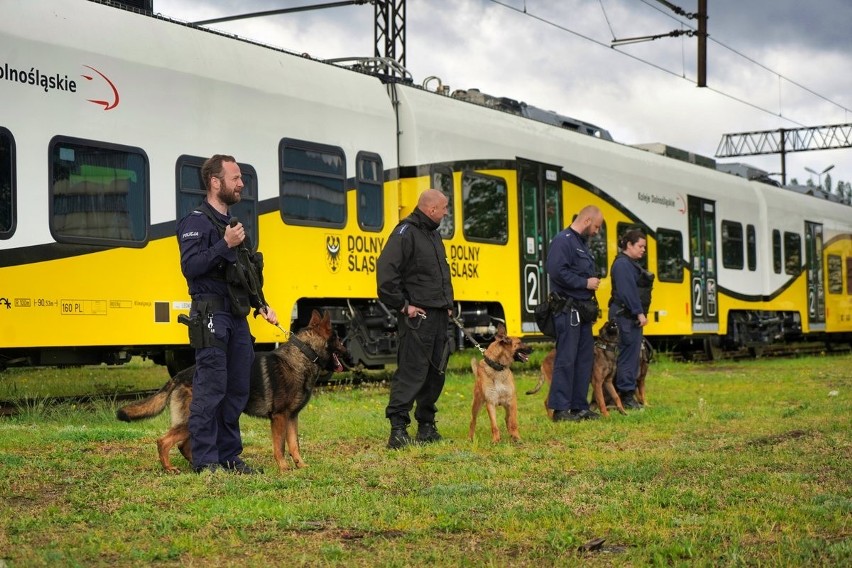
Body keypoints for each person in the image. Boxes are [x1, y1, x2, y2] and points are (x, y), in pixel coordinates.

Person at [177, 154, 279, 474]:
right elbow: (190, 267)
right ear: (215, 182)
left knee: (237, 388)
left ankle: (229, 456)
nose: (241, 184)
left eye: (240, 178)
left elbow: (246, 272)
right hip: (211, 315)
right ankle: (206, 460)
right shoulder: (196, 221)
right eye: (235, 178)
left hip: (237, 318)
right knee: (211, 388)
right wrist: (223, 245)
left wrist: (261, 304)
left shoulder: (231, 225)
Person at [376, 188, 454, 449]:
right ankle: (398, 429)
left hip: (439, 315)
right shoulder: (405, 233)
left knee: (436, 373)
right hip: (418, 318)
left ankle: (426, 426)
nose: (446, 212)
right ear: (431, 209)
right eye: (444, 208)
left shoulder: (432, 235)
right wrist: (403, 306)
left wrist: (448, 306)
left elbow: (437, 275)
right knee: (412, 371)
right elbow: (386, 275)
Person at [545, 205, 604, 422]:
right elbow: (556, 270)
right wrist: (584, 282)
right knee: (567, 359)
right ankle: (561, 410)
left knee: (584, 359)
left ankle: (580, 407)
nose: (597, 232)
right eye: (596, 226)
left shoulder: (581, 244)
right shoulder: (564, 240)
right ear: (587, 220)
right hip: (567, 309)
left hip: (583, 312)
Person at [608, 228, 654, 409]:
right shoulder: (622, 265)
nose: (643, 250)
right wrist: (639, 312)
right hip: (625, 317)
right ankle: (626, 396)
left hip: (627, 316)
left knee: (631, 355)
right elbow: (628, 292)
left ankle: (621, 394)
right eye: (640, 246)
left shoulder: (627, 264)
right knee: (628, 355)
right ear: (629, 245)